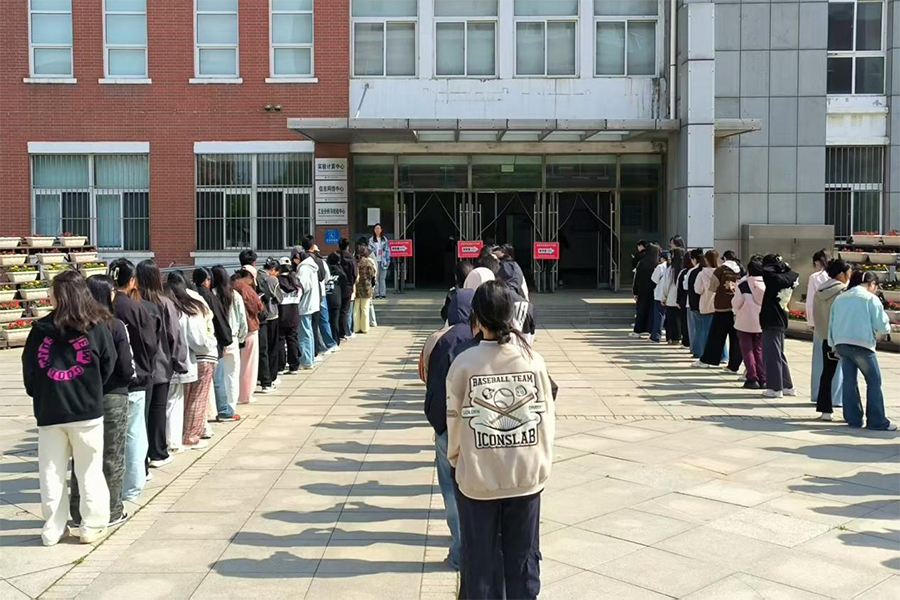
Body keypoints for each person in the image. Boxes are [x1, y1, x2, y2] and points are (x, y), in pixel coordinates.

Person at [446, 281, 556, 599]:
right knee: (523, 561)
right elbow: (546, 417)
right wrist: (541, 460)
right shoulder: (533, 360)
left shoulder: (465, 363)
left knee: (479, 562)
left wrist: (457, 461)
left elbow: (454, 422)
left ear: (477, 317)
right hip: (526, 475)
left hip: (478, 478)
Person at [22, 270, 116, 545]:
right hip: (87, 409)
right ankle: (92, 525)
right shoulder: (97, 327)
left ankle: (53, 528)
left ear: (58, 296)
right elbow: (108, 364)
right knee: (89, 470)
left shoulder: (39, 330)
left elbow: (30, 370)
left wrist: (41, 393)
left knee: (50, 472)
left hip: (50, 410)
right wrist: (92, 388)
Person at [70, 275, 134, 531]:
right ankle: (113, 509)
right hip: (112, 395)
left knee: (81, 456)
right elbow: (126, 366)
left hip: (82, 397)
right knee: (112, 456)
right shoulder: (114, 325)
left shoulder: (74, 326)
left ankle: (78, 512)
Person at [423, 280, 476, 571]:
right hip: (477, 427)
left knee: (451, 490)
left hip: (447, 426)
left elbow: (433, 386)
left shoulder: (442, 339)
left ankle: (459, 551)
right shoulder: (482, 338)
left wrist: (438, 426)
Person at [108, 258, 157, 502]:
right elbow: (150, 344)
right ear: (132, 281)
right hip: (137, 376)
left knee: (114, 436)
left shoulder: (105, 307)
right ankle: (134, 484)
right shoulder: (136, 308)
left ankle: (117, 484)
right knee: (135, 433)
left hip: (110, 380)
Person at [829, 271, 895, 430]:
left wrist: (833, 343)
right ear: (871, 284)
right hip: (862, 344)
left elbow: (832, 322)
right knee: (873, 381)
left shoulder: (840, 298)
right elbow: (882, 326)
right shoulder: (870, 299)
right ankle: (876, 420)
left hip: (841, 343)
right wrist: (887, 327)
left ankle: (853, 419)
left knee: (849, 381)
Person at [135, 260, 185, 469]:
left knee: (141, 413)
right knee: (158, 409)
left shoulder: (133, 302)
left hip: (138, 364)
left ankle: (141, 455)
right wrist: (180, 360)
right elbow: (175, 334)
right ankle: (157, 451)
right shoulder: (164, 302)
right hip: (161, 364)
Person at [165, 271, 218, 449]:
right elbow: (199, 338)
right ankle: (190, 436)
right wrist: (211, 343)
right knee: (197, 399)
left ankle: (180, 435)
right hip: (199, 355)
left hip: (180, 358)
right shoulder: (192, 302)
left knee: (181, 400)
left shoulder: (168, 301)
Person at [813, 259, 850, 420]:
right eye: (848, 272)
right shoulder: (843, 292)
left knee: (827, 373)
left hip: (825, 337)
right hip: (841, 337)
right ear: (841, 274)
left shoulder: (821, 290)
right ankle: (852, 410)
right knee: (849, 373)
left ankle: (825, 409)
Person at [760, 254, 800, 398]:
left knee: (771, 355)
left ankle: (775, 387)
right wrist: (781, 265)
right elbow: (792, 273)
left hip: (772, 319)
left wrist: (776, 265)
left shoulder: (774, 279)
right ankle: (787, 385)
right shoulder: (788, 278)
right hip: (779, 319)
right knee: (778, 354)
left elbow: (767, 272)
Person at [696, 250, 742, 371]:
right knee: (735, 338)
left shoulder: (720, 270)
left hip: (722, 307)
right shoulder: (740, 270)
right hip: (737, 308)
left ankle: (709, 359)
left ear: (725, 258)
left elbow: (712, 287)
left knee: (716, 336)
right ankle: (733, 365)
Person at [208, 266, 242, 421]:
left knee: (217, 377)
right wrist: (241, 337)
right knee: (232, 375)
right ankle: (231, 406)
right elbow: (242, 319)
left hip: (216, 339)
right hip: (232, 338)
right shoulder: (234, 295)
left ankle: (219, 407)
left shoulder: (210, 295)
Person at [732, 257, 766, 389]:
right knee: (759, 350)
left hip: (745, 322)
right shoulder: (767, 283)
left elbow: (737, 303)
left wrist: (736, 312)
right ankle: (763, 378)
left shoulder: (743, 284)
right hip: (761, 322)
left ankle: (752, 378)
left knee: (747, 350)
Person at [233, 267, 264, 401]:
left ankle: (235, 393)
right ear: (250, 276)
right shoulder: (246, 288)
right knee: (249, 363)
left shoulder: (230, 285)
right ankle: (246, 395)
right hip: (249, 327)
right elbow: (257, 306)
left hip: (233, 330)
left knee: (235, 365)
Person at [807, 249, 833, 402]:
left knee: (819, 359)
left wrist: (811, 322)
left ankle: (817, 393)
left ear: (817, 262)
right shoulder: (837, 276)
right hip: (835, 321)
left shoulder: (815, 277)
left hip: (820, 320)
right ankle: (835, 395)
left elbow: (811, 302)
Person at [305, 236, 338, 356]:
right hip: (321, 293)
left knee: (315, 322)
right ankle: (328, 344)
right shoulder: (321, 262)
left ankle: (327, 344)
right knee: (323, 320)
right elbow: (327, 278)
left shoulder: (305, 261)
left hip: (311, 294)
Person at [257, 258, 283, 393]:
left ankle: (260, 375)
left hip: (259, 317)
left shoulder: (256, 276)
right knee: (272, 348)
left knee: (262, 349)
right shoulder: (272, 280)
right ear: (273, 270)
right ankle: (271, 377)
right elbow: (279, 298)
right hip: (271, 315)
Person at [295, 247, 321, 368]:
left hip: (305, 304)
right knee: (308, 331)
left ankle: (306, 360)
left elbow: (303, 286)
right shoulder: (311, 266)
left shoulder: (304, 268)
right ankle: (309, 358)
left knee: (304, 333)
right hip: (312, 302)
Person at [692, 249, 719, 362]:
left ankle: (705, 355)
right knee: (719, 332)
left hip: (706, 304)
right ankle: (723, 355)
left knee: (705, 331)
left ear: (706, 260)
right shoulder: (720, 272)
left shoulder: (702, 274)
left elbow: (697, 290)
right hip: (719, 305)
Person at [276, 258, 301, 374]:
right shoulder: (296, 281)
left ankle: (280, 366)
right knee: (292, 339)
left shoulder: (277, 281)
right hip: (294, 313)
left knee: (280, 340)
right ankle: (294, 366)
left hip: (281, 314)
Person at [631, 243, 660, 338]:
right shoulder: (657, 264)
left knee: (641, 311)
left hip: (642, 291)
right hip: (654, 292)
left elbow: (637, 278)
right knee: (652, 312)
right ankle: (651, 330)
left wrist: (635, 292)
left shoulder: (642, 263)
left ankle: (637, 331)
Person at [662, 248, 685, 345]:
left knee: (671, 319)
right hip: (681, 298)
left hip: (671, 298)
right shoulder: (684, 268)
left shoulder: (671, 269)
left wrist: (664, 297)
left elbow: (666, 284)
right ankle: (679, 337)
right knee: (680, 319)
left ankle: (671, 337)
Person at [684, 249, 704, 357]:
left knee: (695, 329)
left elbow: (685, 286)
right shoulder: (710, 270)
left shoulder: (692, 271)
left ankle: (696, 350)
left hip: (693, 303)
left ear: (694, 259)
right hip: (708, 304)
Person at [353, 246, 377, 333]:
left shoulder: (354, 262)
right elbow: (372, 275)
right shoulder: (368, 262)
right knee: (365, 309)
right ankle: (365, 328)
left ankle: (356, 328)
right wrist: (372, 286)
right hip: (366, 288)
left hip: (356, 287)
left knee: (356, 309)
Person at [325, 253, 346, 346]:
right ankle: (336, 340)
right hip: (336, 298)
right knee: (335, 321)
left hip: (326, 298)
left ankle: (328, 340)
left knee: (326, 321)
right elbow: (344, 283)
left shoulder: (325, 270)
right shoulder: (340, 272)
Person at [649, 250, 668, 343]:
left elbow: (654, 279)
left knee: (658, 316)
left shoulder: (660, 267)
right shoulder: (672, 267)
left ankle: (656, 336)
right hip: (670, 296)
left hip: (660, 294)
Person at [368, 223, 391, 299]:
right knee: (375, 278)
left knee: (382, 278)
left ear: (381, 230)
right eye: (376, 228)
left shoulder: (384, 239)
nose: (377, 230)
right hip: (374, 261)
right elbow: (369, 251)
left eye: (378, 228)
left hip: (383, 261)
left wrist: (388, 260)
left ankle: (383, 293)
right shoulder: (371, 240)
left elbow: (387, 250)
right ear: (374, 230)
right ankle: (376, 293)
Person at [675, 252, 693, 349]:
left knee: (685, 322)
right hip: (696, 300)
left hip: (684, 299)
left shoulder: (683, 272)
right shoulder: (698, 271)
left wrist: (678, 300)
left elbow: (679, 287)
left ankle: (686, 342)